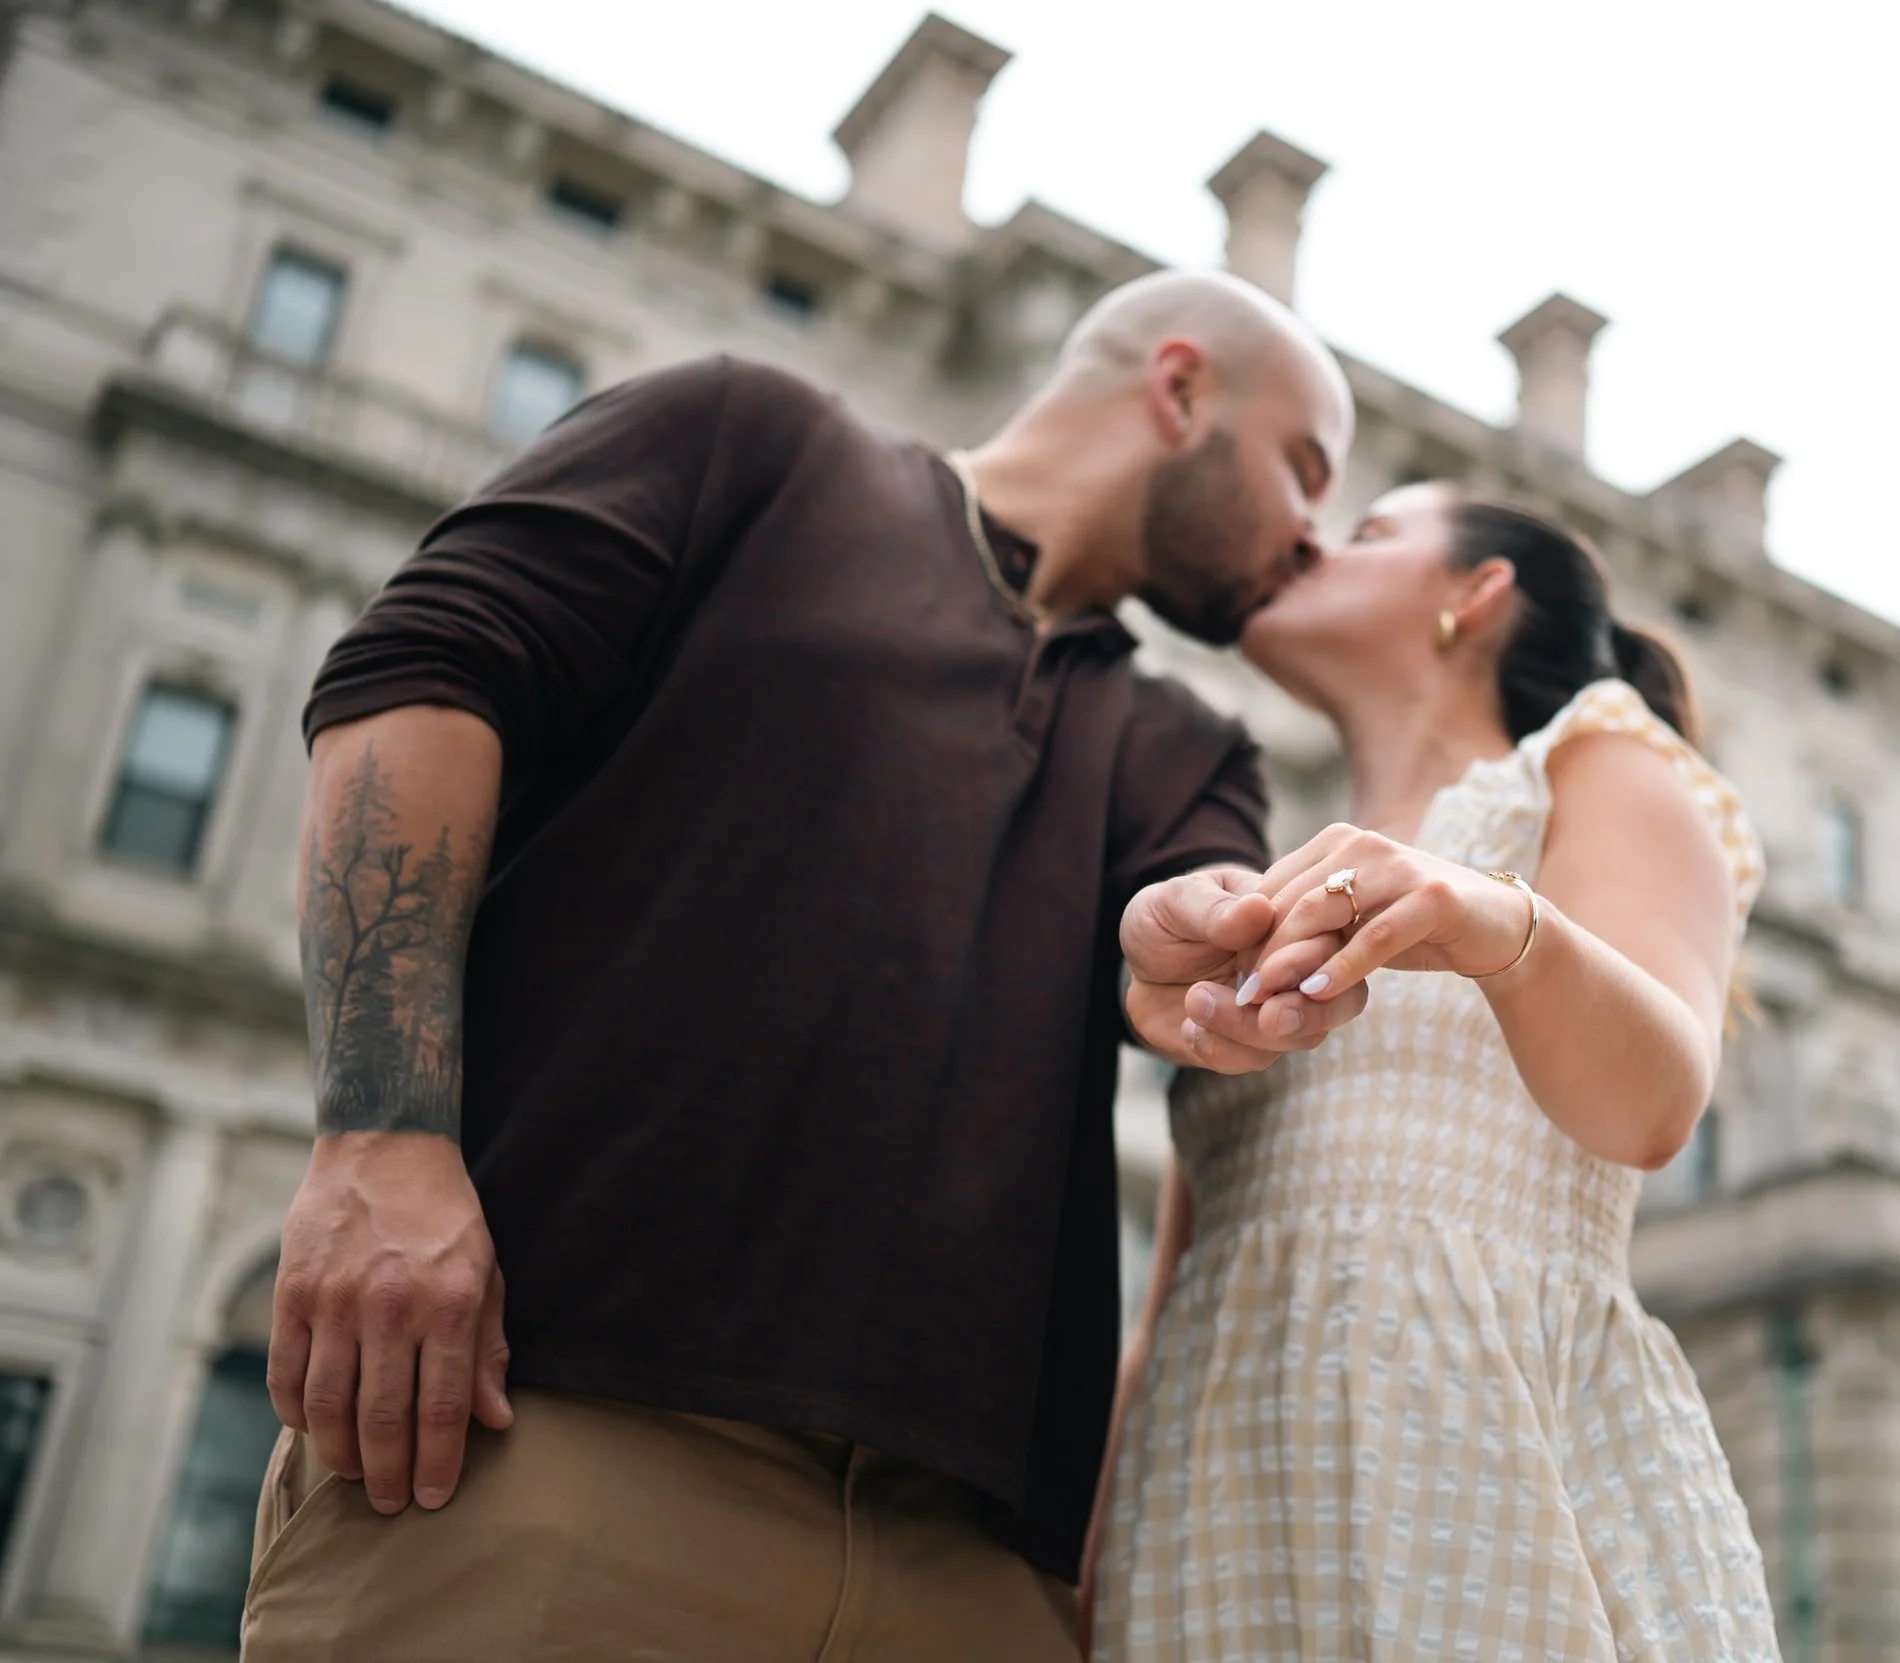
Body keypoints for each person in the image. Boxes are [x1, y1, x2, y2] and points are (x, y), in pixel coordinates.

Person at [243, 270, 1364, 1661]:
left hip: (971, 1572)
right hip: (543, 1435)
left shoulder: (1190, 743)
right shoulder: (746, 441)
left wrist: (1197, 952)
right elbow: (420, 678)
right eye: (1305, 469)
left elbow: (1165, 947)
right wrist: (377, 1135)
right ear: (1181, 386)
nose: (1316, 534)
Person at [1088, 484, 1782, 1660]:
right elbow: (1164, 1306)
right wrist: (1089, 1567)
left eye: (1368, 532)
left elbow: (1655, 1104)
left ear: (1477, 595)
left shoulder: (1587, 764)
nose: (1307, 539)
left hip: (1474, 1452)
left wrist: (1488, 920)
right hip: (1210, 1501)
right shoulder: (1263, 884)